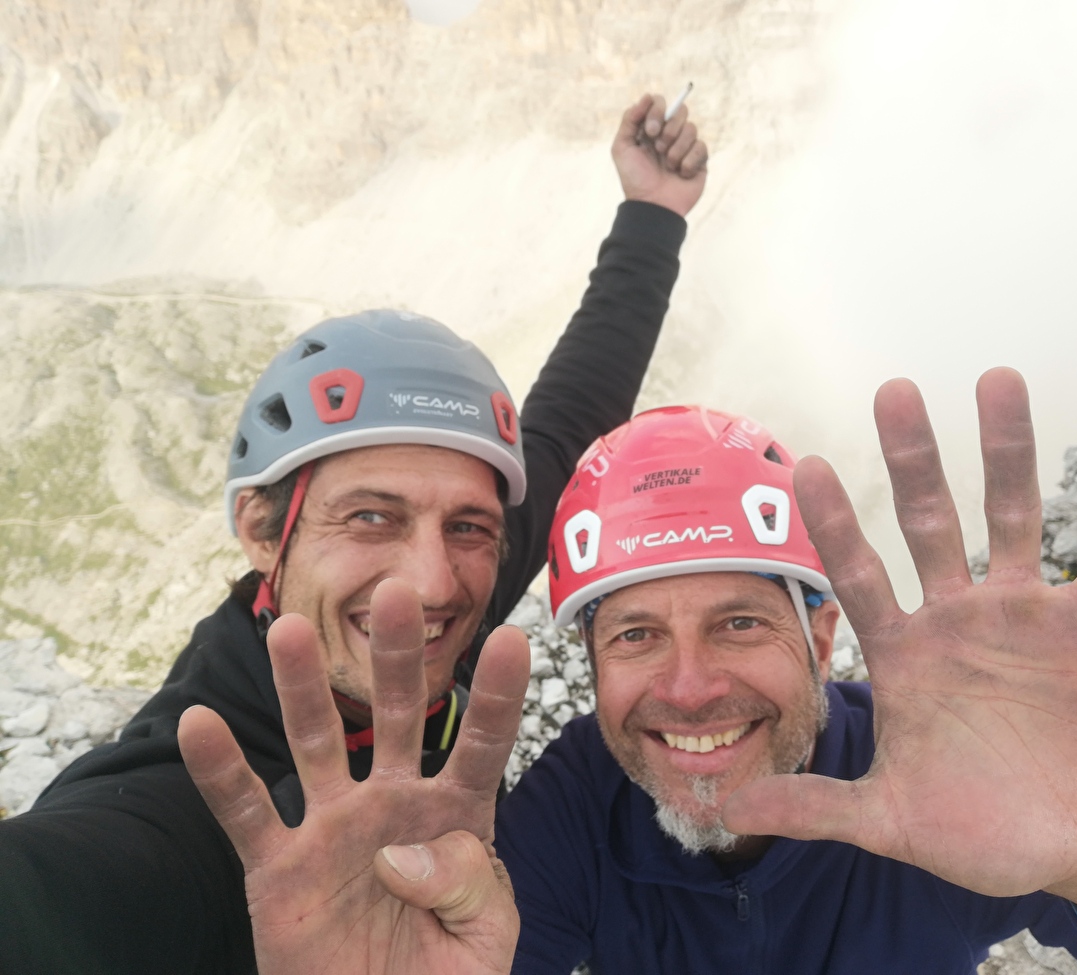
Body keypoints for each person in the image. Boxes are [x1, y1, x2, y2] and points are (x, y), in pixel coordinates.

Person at [0, 92, 708, 975]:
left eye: (471, 525)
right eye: (372, 516)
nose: (432, 583)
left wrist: (652, 213)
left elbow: (571, 414)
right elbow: (55, 893)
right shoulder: (185, 796)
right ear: (265, 529)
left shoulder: (446, 586)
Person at [494, 383, 1077, 974]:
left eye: (739, 622)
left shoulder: (949, 761)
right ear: (593, 667)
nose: (693, 685)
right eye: (636, 635)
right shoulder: (571, 806)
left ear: (819, 633)